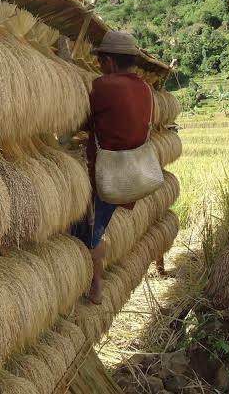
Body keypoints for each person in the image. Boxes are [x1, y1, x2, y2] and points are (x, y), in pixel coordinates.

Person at [71, 31, 154, 305]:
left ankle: (94, 288)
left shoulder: (103, 86)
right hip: (130, 175)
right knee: (98, 225)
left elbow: (80, 119)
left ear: (108, 61)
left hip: (106, 175)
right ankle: (92, 283)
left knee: (88, 232)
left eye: (101, 62)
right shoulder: (145, 89)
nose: (99, 67)